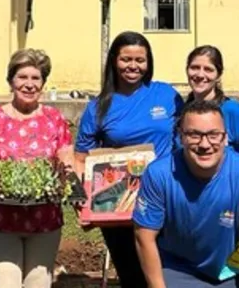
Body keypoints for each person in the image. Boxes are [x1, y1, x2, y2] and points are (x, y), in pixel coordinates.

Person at [73, 31, 183, 287]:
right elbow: (80, 158)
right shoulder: (98, 106)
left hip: (165, 199)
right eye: (126, 59)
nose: (133, 66)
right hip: (118, 205)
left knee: (167, 274)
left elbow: (185, 138)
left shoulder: (167, 95)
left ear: (149, 62)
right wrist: (84, 201)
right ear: (114, 60)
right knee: (132, 275)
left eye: (140, 60)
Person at [133, 100, 239, 288]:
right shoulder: (158, 174)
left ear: (225, 138)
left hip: (230, 270)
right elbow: (144, 235)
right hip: (177, 268)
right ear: (181, 137)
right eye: (194, 134)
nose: (204, 144)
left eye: (213, 135)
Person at [0, 49, 74, 288]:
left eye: (35, 78)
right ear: (10, 81)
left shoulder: (54, 119)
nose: (29, 84)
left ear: (43, 83)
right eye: (22, 77)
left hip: (44, 222)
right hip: (2, 222)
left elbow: (66, 167)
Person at [184, 46, 239, 163]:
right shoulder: (183, 112)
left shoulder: (232, 110)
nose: (200, 74)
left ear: (218, 76)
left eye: (208, 69)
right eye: (194, 67)